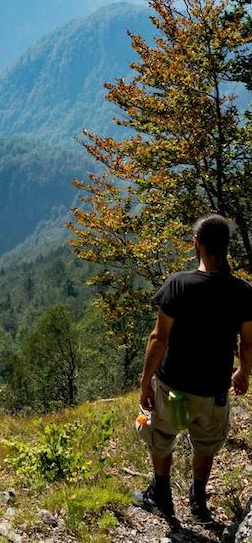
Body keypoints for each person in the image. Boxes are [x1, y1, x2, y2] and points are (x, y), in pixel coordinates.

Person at [135, 214, 252, 524]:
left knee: (162, 436)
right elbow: (248, 341)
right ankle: (199, 503)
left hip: (174, 385)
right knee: (206, 444)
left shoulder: (179, 285)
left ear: (197, 244)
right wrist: (243, 372)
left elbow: (159, 338)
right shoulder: (241, 291)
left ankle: (162, 496)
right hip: (213, 390)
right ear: (226, 247)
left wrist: (146, 381)